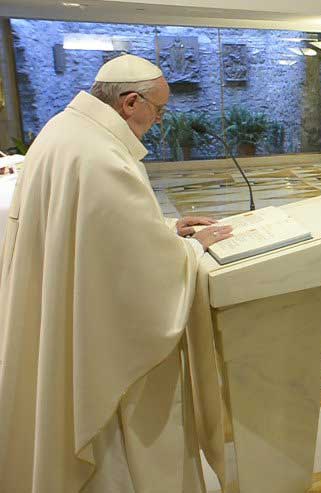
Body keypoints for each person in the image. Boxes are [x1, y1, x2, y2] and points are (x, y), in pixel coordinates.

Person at [0, 54, 234, 493]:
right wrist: (187, 249)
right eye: (158, 109)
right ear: (130, 102)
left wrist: (165, 229)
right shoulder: (100, 156)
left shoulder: (64, 131)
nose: (160, 120)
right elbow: (135, 269)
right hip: (97, 351)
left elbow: (94, 237)